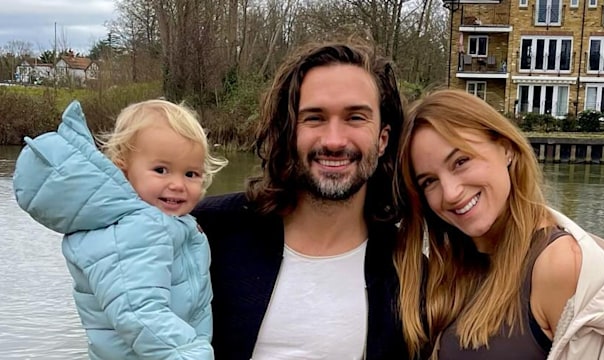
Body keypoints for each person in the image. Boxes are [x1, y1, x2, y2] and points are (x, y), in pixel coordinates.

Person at [191, 41, 410, 359]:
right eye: (314, 118)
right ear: (289, 133)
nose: (334, 141)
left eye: (355, 118)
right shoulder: (205, 233)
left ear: (382, 140)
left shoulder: (408, 267)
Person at [394, 89, 604, 359]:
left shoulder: (558, 265)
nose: (450, 192)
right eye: (429, 181)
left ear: (507, 149)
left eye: (461, 161)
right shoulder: (456, 268)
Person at [13, 99, 227, 359]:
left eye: (191, 174)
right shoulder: (135, 230)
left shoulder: (165, 223)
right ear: (123, 169)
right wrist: (190, 354)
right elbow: (137, 313)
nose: (178, 184)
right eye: (161, 170)